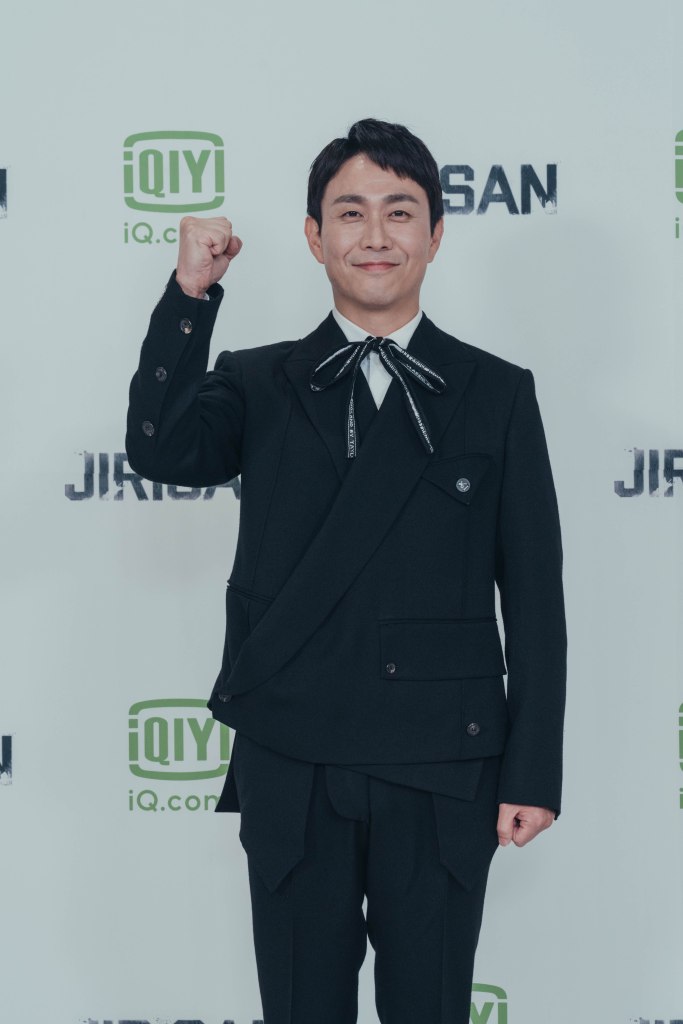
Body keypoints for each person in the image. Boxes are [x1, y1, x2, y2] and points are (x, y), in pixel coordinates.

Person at [126, 117, 567, 1024]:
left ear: (435, 235)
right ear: (313, 235)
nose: (375, 235)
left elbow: (533, 597)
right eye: (350, 212)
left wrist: (532, 771)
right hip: (293, 757)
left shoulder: (495, 391)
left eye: (399, 212)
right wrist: (189, 296)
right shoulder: (257, 380)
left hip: (443, 762)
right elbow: (161, 449)